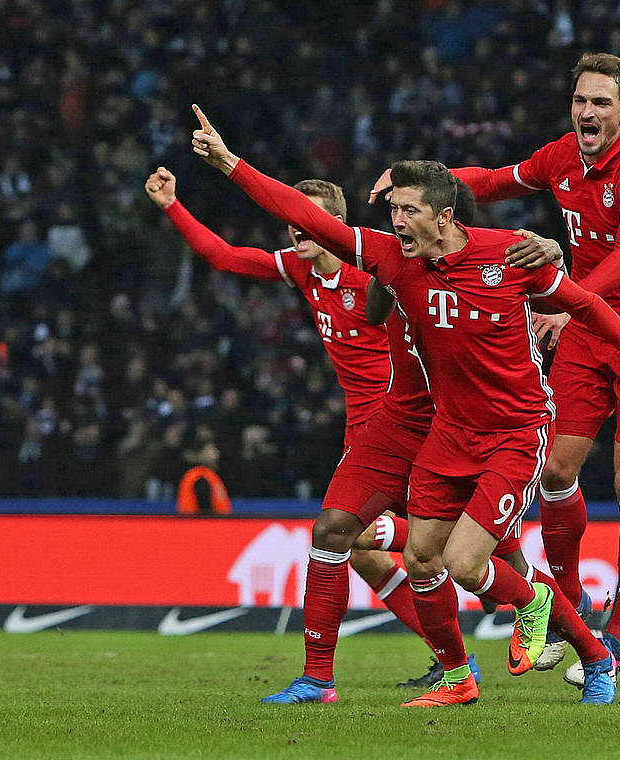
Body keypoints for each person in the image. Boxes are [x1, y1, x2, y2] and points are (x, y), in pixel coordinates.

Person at [190, 106, 620, 708]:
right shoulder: (390, 260)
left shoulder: (508, 256)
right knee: (409, 551)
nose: (396, 222)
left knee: (466, 560)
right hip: (439, 429)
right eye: (394, 211)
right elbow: (301, 217)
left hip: (512, 430)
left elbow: (587, 304)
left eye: (409, 211)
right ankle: (434, 676)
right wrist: (229, 163)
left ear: (445, 217)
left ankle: (583, 643)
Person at [371, 53, 620, 676]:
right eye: (580, 101)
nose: (587, 112)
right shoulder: (561, 157)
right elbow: (489, 182)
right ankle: (565, 611)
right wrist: (420, 182)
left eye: (601, 103)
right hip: (579, 325)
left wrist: (569, 304)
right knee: (555, 473)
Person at [145, 165, 439, 694]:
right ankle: (446, 652)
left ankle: (547, 616)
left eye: (311, 223)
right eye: (293, 223)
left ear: (336, 226)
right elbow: (223, 257)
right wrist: (172, 205)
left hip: (407, 423)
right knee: (364, 552)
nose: (300, 232)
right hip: (362, 427)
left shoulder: (371, 275)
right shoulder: (301, 271)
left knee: (407, 543)